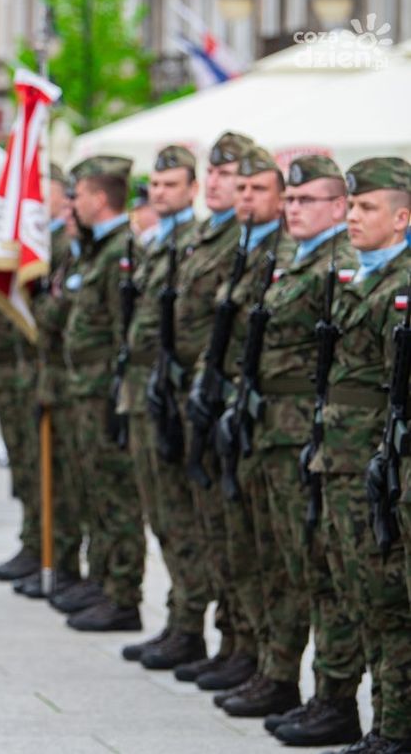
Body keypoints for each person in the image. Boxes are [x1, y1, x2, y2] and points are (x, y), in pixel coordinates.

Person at [251, 155, 363, 745]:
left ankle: (335, 697)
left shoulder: (338, 266)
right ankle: (300, 683)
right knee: (292, 564)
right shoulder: (298, 259)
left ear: (339, 207)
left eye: (306, 201)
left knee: (324, 573)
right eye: (289, 200)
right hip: (281, 431)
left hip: (316, 436)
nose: (293, 209)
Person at [314, 157, 411, 753]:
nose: (353, 217)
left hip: (382, 467)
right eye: (350, 206)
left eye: (367, 207)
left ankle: (396, 728)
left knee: (385, 601)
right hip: (350, 461)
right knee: (361, 594)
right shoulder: (365, 278)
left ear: (402, 217)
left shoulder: (399, 285)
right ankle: (384, 723)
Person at [199, 146, 297, 710]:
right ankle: (243, 646)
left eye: (256, 189)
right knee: (235, 541)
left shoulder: (281, 254)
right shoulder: (241, 247)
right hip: (233, 412)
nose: (243, 198)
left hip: (275, 422)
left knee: (273, 553)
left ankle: (270, 661)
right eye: (242, 188)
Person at [117, 145, 211, 668]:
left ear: (191, 190)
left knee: (180, 516)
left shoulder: (192, 245)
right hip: (145, 394)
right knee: (161, 515)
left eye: (172, 184)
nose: (160, 193)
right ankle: (179, 619)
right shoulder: (157, 245)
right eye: (156, 184)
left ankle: (190, 622)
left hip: (173, 400)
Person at [172, 131, 257, 688]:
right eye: (221, 175)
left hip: (226, 399)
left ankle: (241, 644)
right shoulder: (205, 236)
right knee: (197, 523)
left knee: (233, 532)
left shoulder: (243, 244)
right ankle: (215, 634)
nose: (223, 184)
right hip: (190, 391)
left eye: (236, 177)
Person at [53, 155, 145, 632]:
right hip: (84, 389)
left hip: (105, 390)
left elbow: (124, 332)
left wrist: (117, 392)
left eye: (81, 194)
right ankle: (105, 579)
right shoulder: (95, 250)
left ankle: (123, 593)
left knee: (115, 494)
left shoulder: (120, 253)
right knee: (96, 491)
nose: (75, 203)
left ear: (101, 197)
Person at [0, 162, 70, 585]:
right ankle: (33, 542)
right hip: (10, 371)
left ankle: (52, 553)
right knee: (23, 466)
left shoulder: (56, 246)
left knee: (45, 469)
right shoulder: (15, 242)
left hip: (41, 372)